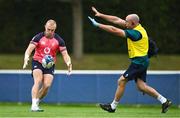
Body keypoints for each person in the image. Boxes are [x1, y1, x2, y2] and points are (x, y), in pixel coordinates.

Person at [88, 7, 172, 113]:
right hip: (142, 61)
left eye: (127, 22)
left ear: (133, 23)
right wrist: (101, 15)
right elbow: (116, 20)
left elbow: (115, 30)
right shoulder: (135, 26)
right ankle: (164, 101)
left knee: (121, 81)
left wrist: (98, 25)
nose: (125, 23)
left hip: (139, 62)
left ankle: (113, 106)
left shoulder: (136, 33)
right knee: (141, 87)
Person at [23, 19, 72, 112]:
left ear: (55, 29)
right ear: (45, 26)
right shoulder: (38, 37)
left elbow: (65, 54)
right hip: (37, 61)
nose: (50, 32)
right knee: (38, 81)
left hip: (49, 64)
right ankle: (33, 105)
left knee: (47, 85)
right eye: (48, 29)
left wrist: (69, 63)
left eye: (52, 30)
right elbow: (29, 49)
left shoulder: (59, 40)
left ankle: (36, 102)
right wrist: (26, 57)